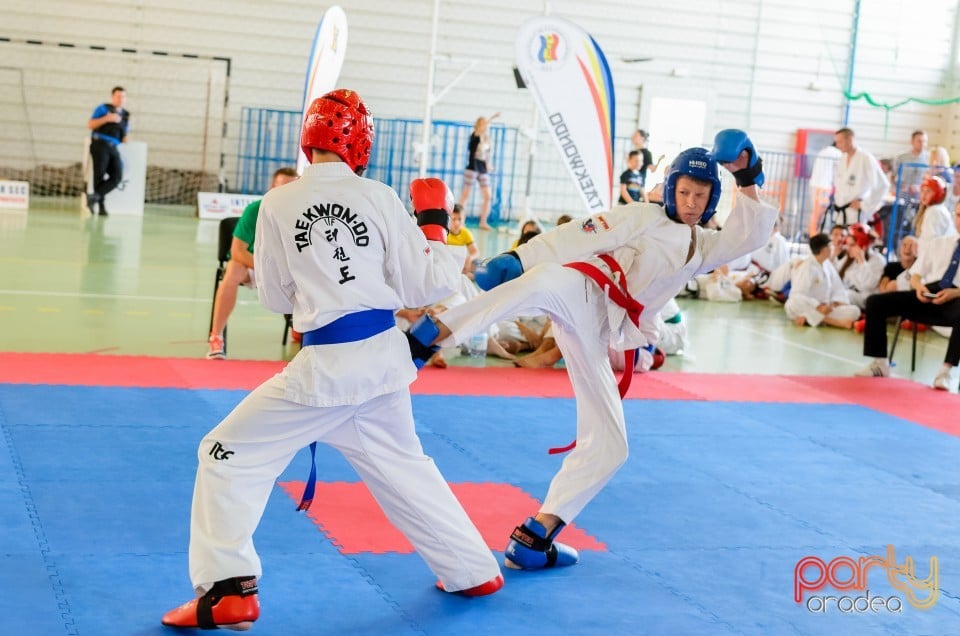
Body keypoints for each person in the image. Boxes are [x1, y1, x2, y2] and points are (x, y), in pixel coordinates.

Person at [161, 90, 502, 631]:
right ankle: (472, 569)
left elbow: (273, 298)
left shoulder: (276, 203)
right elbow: (432, 282)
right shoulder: (381, 196)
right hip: (383, 362)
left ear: (308, 138)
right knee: (404, 467)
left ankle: (228, 590)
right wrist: (434, 225)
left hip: (328, 371)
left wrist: (318, 283)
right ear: (361, 144)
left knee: (225, 455)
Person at [409, 129, 777, 571]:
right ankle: (430, 333)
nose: (692, 202)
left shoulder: (704, 247)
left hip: (599, 332)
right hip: (584, 287)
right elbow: (582, 234)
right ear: (671, 188)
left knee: (611, 444)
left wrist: (748, 176)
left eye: (701, 194)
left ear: (713, 197)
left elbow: (749, 236)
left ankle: (536, 535)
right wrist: (521, 258)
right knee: (542, 281)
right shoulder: (643, 216)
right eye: (684, 191)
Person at [855, 202, 960, 391]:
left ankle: (945, 372)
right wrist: (919, 287)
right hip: (929, 294)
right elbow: (916, 274)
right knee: (875, 303)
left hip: (956, 299)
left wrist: (954, 293)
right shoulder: (940, 244)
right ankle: (880, 363)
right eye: (959, 215)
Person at [206, 167, 299, 359]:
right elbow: (237, 251)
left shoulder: (299, 214)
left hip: (286, 269)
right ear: (272, 187)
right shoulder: (255, 211)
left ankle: (300, 326)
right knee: (232, 269)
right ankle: (216, 337)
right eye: (281, 188)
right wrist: (267, 268)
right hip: (254, 265)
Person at [784, 233, 860, 329]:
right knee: (792, 303)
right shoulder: (807, 267)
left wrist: (834, 304)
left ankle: (808, 319)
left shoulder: (827, 265)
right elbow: (797, 295)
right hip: (811, 306)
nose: (832, 248)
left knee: (854, 311)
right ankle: (834, 322)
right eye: (830, 246)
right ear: (825, 250)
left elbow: (838, 289)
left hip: (826, 308)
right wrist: (818, 306)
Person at [832, 127, 890, 227]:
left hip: (855, 216)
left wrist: (864, 204)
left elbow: (882, 185)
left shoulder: (866, 158)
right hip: (840, 213)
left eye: (840, 142)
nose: (837, 145)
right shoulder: (842, 158)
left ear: (850, 139)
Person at [86, 86, 130, 216]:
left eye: (122, 96)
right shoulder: (103, 109)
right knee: (99, 175)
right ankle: (101, 206)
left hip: (114, 146)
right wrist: (107, 119)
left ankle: (94, 197)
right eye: (117, 96)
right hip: (100, 143)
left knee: (117, 176)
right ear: (112, 97)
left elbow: (124, 137)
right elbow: (90, 124)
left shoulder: (126, 116)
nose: (120, 99)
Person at [459, 112, 500, 230]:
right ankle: (459, 220)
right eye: (482, 123)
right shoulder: (475, 135)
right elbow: (480, 130)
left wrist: (488, 164)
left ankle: (483, 222)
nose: (485, 125)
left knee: (488, 196)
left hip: (482, 168)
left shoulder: (486, 138)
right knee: (465, 195)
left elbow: (485, 154)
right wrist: (492, 118)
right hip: (472, 167)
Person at [893, 130, 929, 197]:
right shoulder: (901, 157)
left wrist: (919, 187)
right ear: (912, 142)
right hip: (901, 195)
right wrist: (898, 188)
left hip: (920, 196)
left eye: (925, 141)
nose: (922, 144)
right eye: (919, 141)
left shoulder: (929, 159)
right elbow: (893, 175)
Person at [631, 129, 665, 196]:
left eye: (636, 136)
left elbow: (652, 169)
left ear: (642, 138)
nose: (633, 137)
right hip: (629, 183)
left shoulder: (646, 153)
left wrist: (659, 160)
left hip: (637, 186)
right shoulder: (634, 152)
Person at [446, 203, 479, 272]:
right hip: (447, 261)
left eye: (460, 219)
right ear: (448, 219)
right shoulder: (445, 232)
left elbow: (475, 252)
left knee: (478, 264)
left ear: (464, 219)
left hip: (461, 263)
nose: (457, 223)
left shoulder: (466, 233)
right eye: (454, 219)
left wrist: (470, 258)